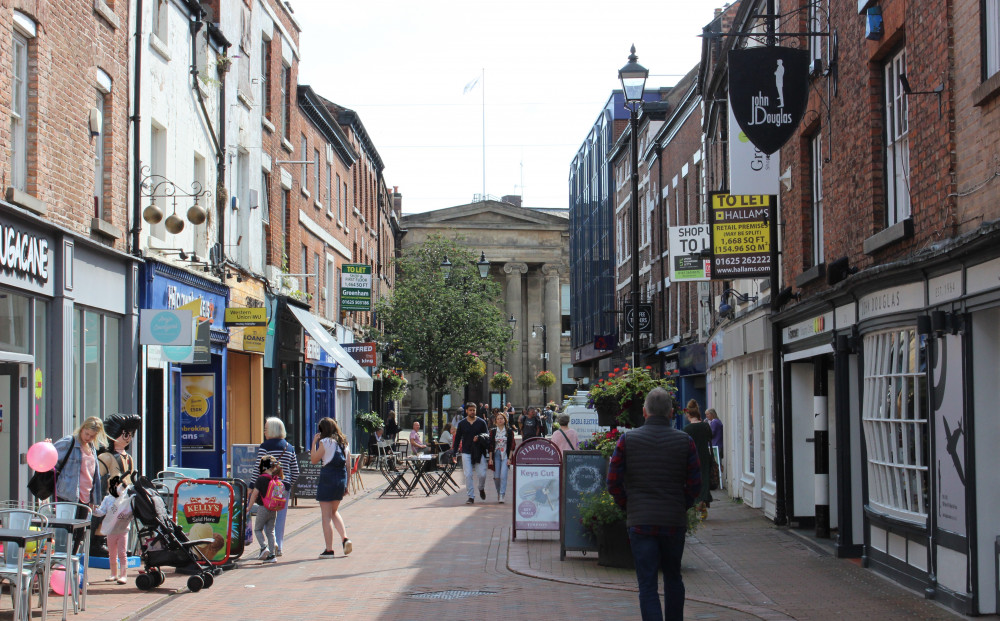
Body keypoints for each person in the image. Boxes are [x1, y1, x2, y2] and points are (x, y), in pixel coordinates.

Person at [607, 387, 701, 621]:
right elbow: (696, 484)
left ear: (644, 412)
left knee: (647, 584)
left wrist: (628, 505)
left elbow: (613, 481)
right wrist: (682, 504)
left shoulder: (627, 440)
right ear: (671, 413)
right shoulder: (685, 441)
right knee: (673, 577)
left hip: (641, 522)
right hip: (673, 521)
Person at [253, 417, 300, 557]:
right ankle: (278, 545)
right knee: (279, 517)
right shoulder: (289, 447)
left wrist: (252, 486)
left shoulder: (265, 447)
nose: (264, 432)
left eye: (266, 429)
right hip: (282, 488)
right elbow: (296, 471)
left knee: (266, 515)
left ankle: (269, 546)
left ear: (272, 430)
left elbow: (258, 468)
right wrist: (287, 486)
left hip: (266, 488)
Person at [311, 417, 352, 558]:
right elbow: (348, 466)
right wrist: (347, 485)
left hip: (327, 479)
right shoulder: (344, 443)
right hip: (341, 479)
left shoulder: (325, 442)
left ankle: (329, 550)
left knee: (326, 516)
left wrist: (314, 443)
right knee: (334, 511)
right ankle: (345, 538)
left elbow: (314, 459)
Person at [52, 416, 107, 509]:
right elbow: (51, 457)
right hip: (68, 496)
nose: (88, 437)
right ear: (82, 429)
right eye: (87, 434)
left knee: (82, 523)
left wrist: (95, 499)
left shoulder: (92, 447)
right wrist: (47, 445)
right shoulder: (69, 442)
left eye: (92, 436)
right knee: (66, 523)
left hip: (86, 497)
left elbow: (93, 475)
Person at [246, 455, 283, 564]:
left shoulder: (261, 479)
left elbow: (254, 495)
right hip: (274, 509)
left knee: (258, 529)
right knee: (270, 531)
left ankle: (263, 547)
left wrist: (249, 507)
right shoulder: (276, 478)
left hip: (263, 508)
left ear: (262, 466)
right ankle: (272, 555)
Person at [94, 475, 130, 583]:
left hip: (122, 529)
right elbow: (102, 511)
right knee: (112, 553)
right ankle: (113, 574)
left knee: (122, 553)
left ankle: (123, 575)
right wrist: (93, 510)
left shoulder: (126, 498)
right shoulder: (107, 499)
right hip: (111, 530)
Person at [452, 402, 489, 504]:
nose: (472, 412)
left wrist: (480, 437)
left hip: (478, 451)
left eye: (474, 410)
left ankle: (481, 488)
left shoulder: (481, 422)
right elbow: (457, 439)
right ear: (466, 411)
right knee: (468, 475)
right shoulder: (462, 423)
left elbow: (487, 435)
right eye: (470, 410)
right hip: (466, 451)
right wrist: (454, 453)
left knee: (482, 474)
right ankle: (471, 496)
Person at [683, 400, 713, 518]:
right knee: (704, 479)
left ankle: (698, 504)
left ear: (688, 414)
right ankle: (702, 503)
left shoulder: (687, 429)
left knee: (693, 480)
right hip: (705, 456)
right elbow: (710, 437)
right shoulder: (705, 426)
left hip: (692, 457)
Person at [488, 412, 516, 503]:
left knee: (503, 475)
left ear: (505, 420)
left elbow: (512, 445)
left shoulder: (509, 431)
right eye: (498, 419)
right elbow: (491, 445)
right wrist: (490, 458)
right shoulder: (493, 431)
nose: (500, 420)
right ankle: (498, 491)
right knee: (496, 476)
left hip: (505, 455)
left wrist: (509, 458)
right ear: (496, 421)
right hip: (496, 455)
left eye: (502, 418)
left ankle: (502, 494)